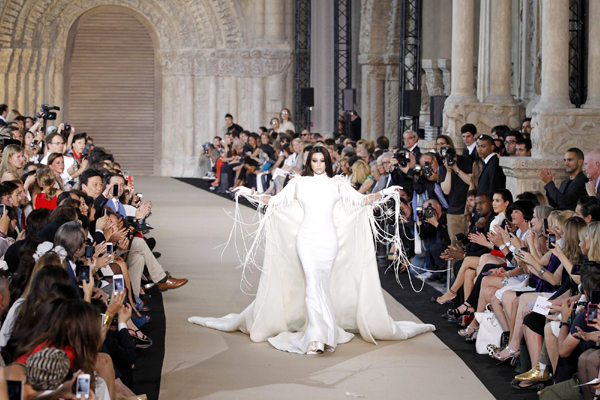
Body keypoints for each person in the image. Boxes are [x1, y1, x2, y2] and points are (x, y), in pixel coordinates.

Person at [189, 146, 435, 354]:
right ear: (309, 163)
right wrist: (249, 192)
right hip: (305, 240)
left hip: (329, 241)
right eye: (314, 161)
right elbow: (274, 202)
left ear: (327, 162)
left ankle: (321, 332)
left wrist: (385, 192)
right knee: (312, 286)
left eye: (322, 161)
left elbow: (360, 202)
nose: (318, 164)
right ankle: (317, 336)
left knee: (321, 286)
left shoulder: (337, 184)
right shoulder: (299, 184)